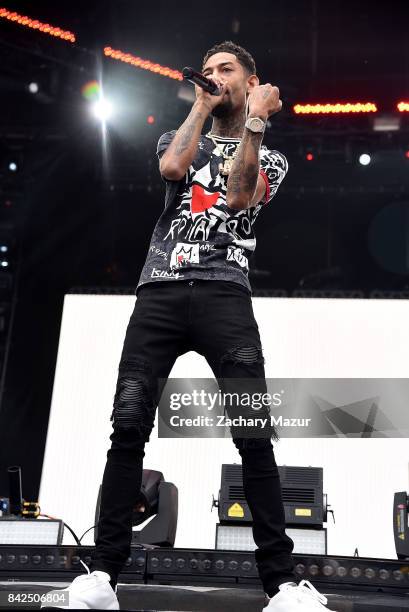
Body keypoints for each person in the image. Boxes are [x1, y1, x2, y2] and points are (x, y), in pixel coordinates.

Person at [42, 41, 337, 611]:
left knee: (254, 434)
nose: (214, 77)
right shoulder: (182, 135)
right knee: (128, 424)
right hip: (160, 295)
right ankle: (103, 575)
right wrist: (202, 105)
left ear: (253, 82)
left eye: (226, 70)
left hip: (226, 296)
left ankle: (282, 585)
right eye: (207, 71)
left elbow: (238, 194)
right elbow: (173, 168)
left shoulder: (268, 155)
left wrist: (252, 120)